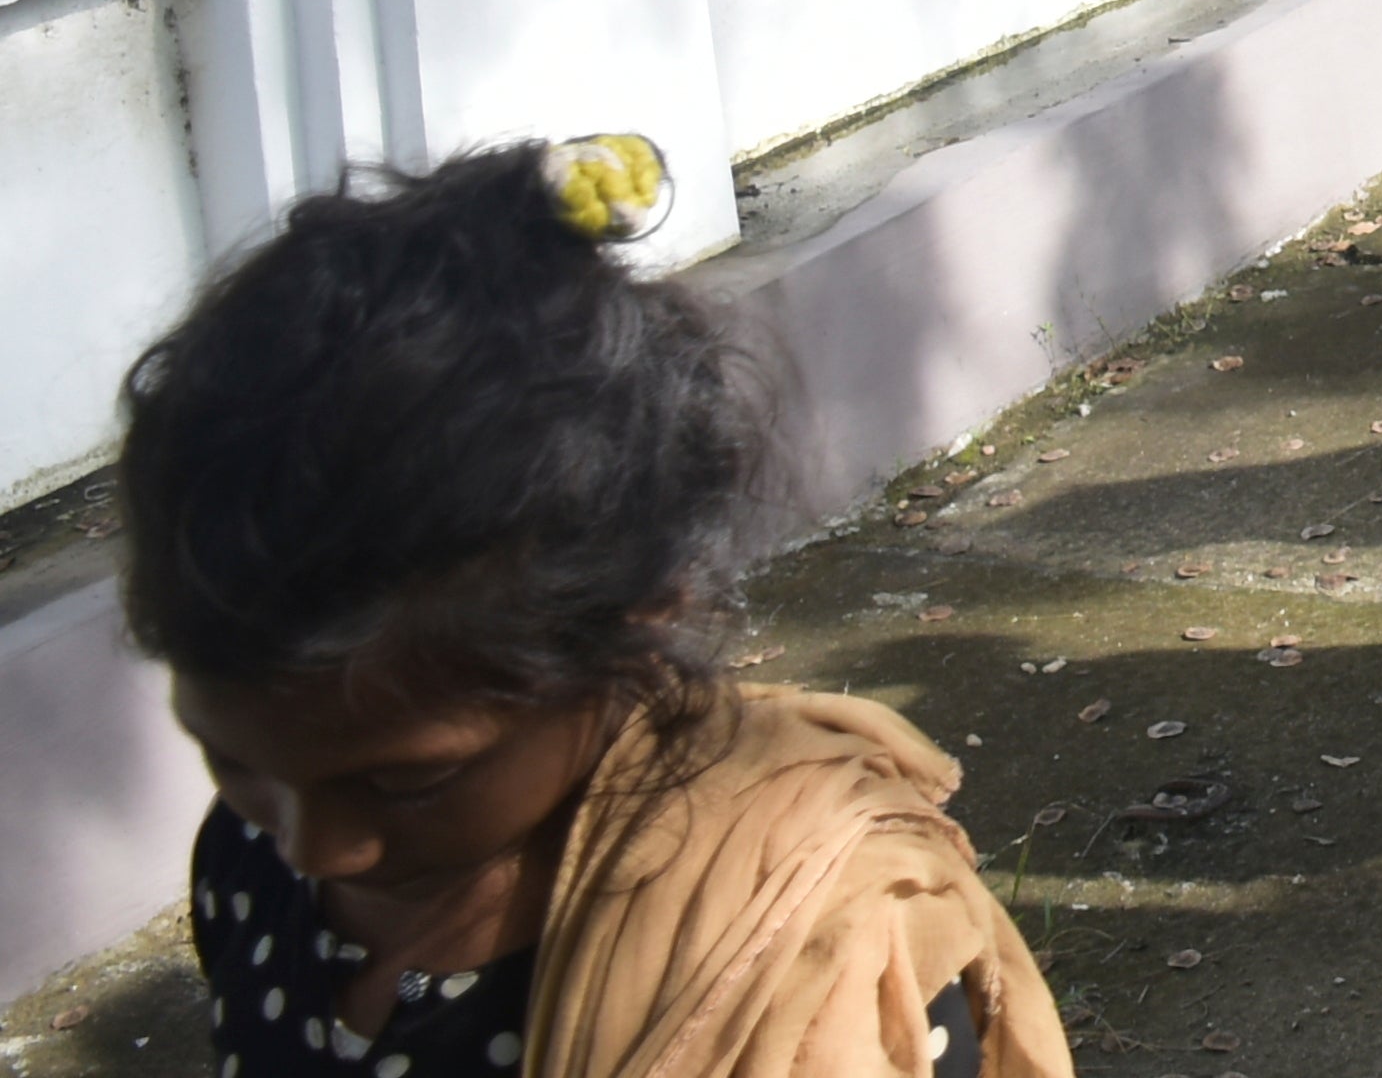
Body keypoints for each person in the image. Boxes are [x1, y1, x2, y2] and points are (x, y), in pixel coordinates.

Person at [114, 138, 1072, 1078]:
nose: (314, 847)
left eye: (407, 785)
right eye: (229, 760)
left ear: (644, 618)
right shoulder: (252, 865)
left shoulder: (809, 947)